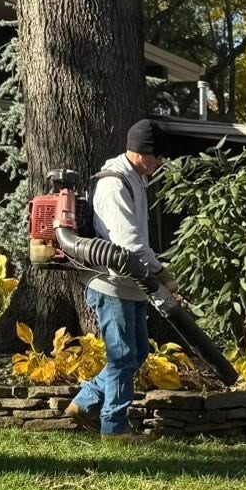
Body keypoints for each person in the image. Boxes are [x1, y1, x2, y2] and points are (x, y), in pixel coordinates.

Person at [67, 119, 168, 436]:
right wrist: (161, 272)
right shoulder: (114, 184)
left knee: (138, 353)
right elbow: (129, 243)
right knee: (123, 355)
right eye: (158, 156)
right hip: (111, 283)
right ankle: (114, 428)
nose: (161, 162)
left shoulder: (135, 178)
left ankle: (84, 403)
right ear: (142, 153)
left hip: (130, 283)